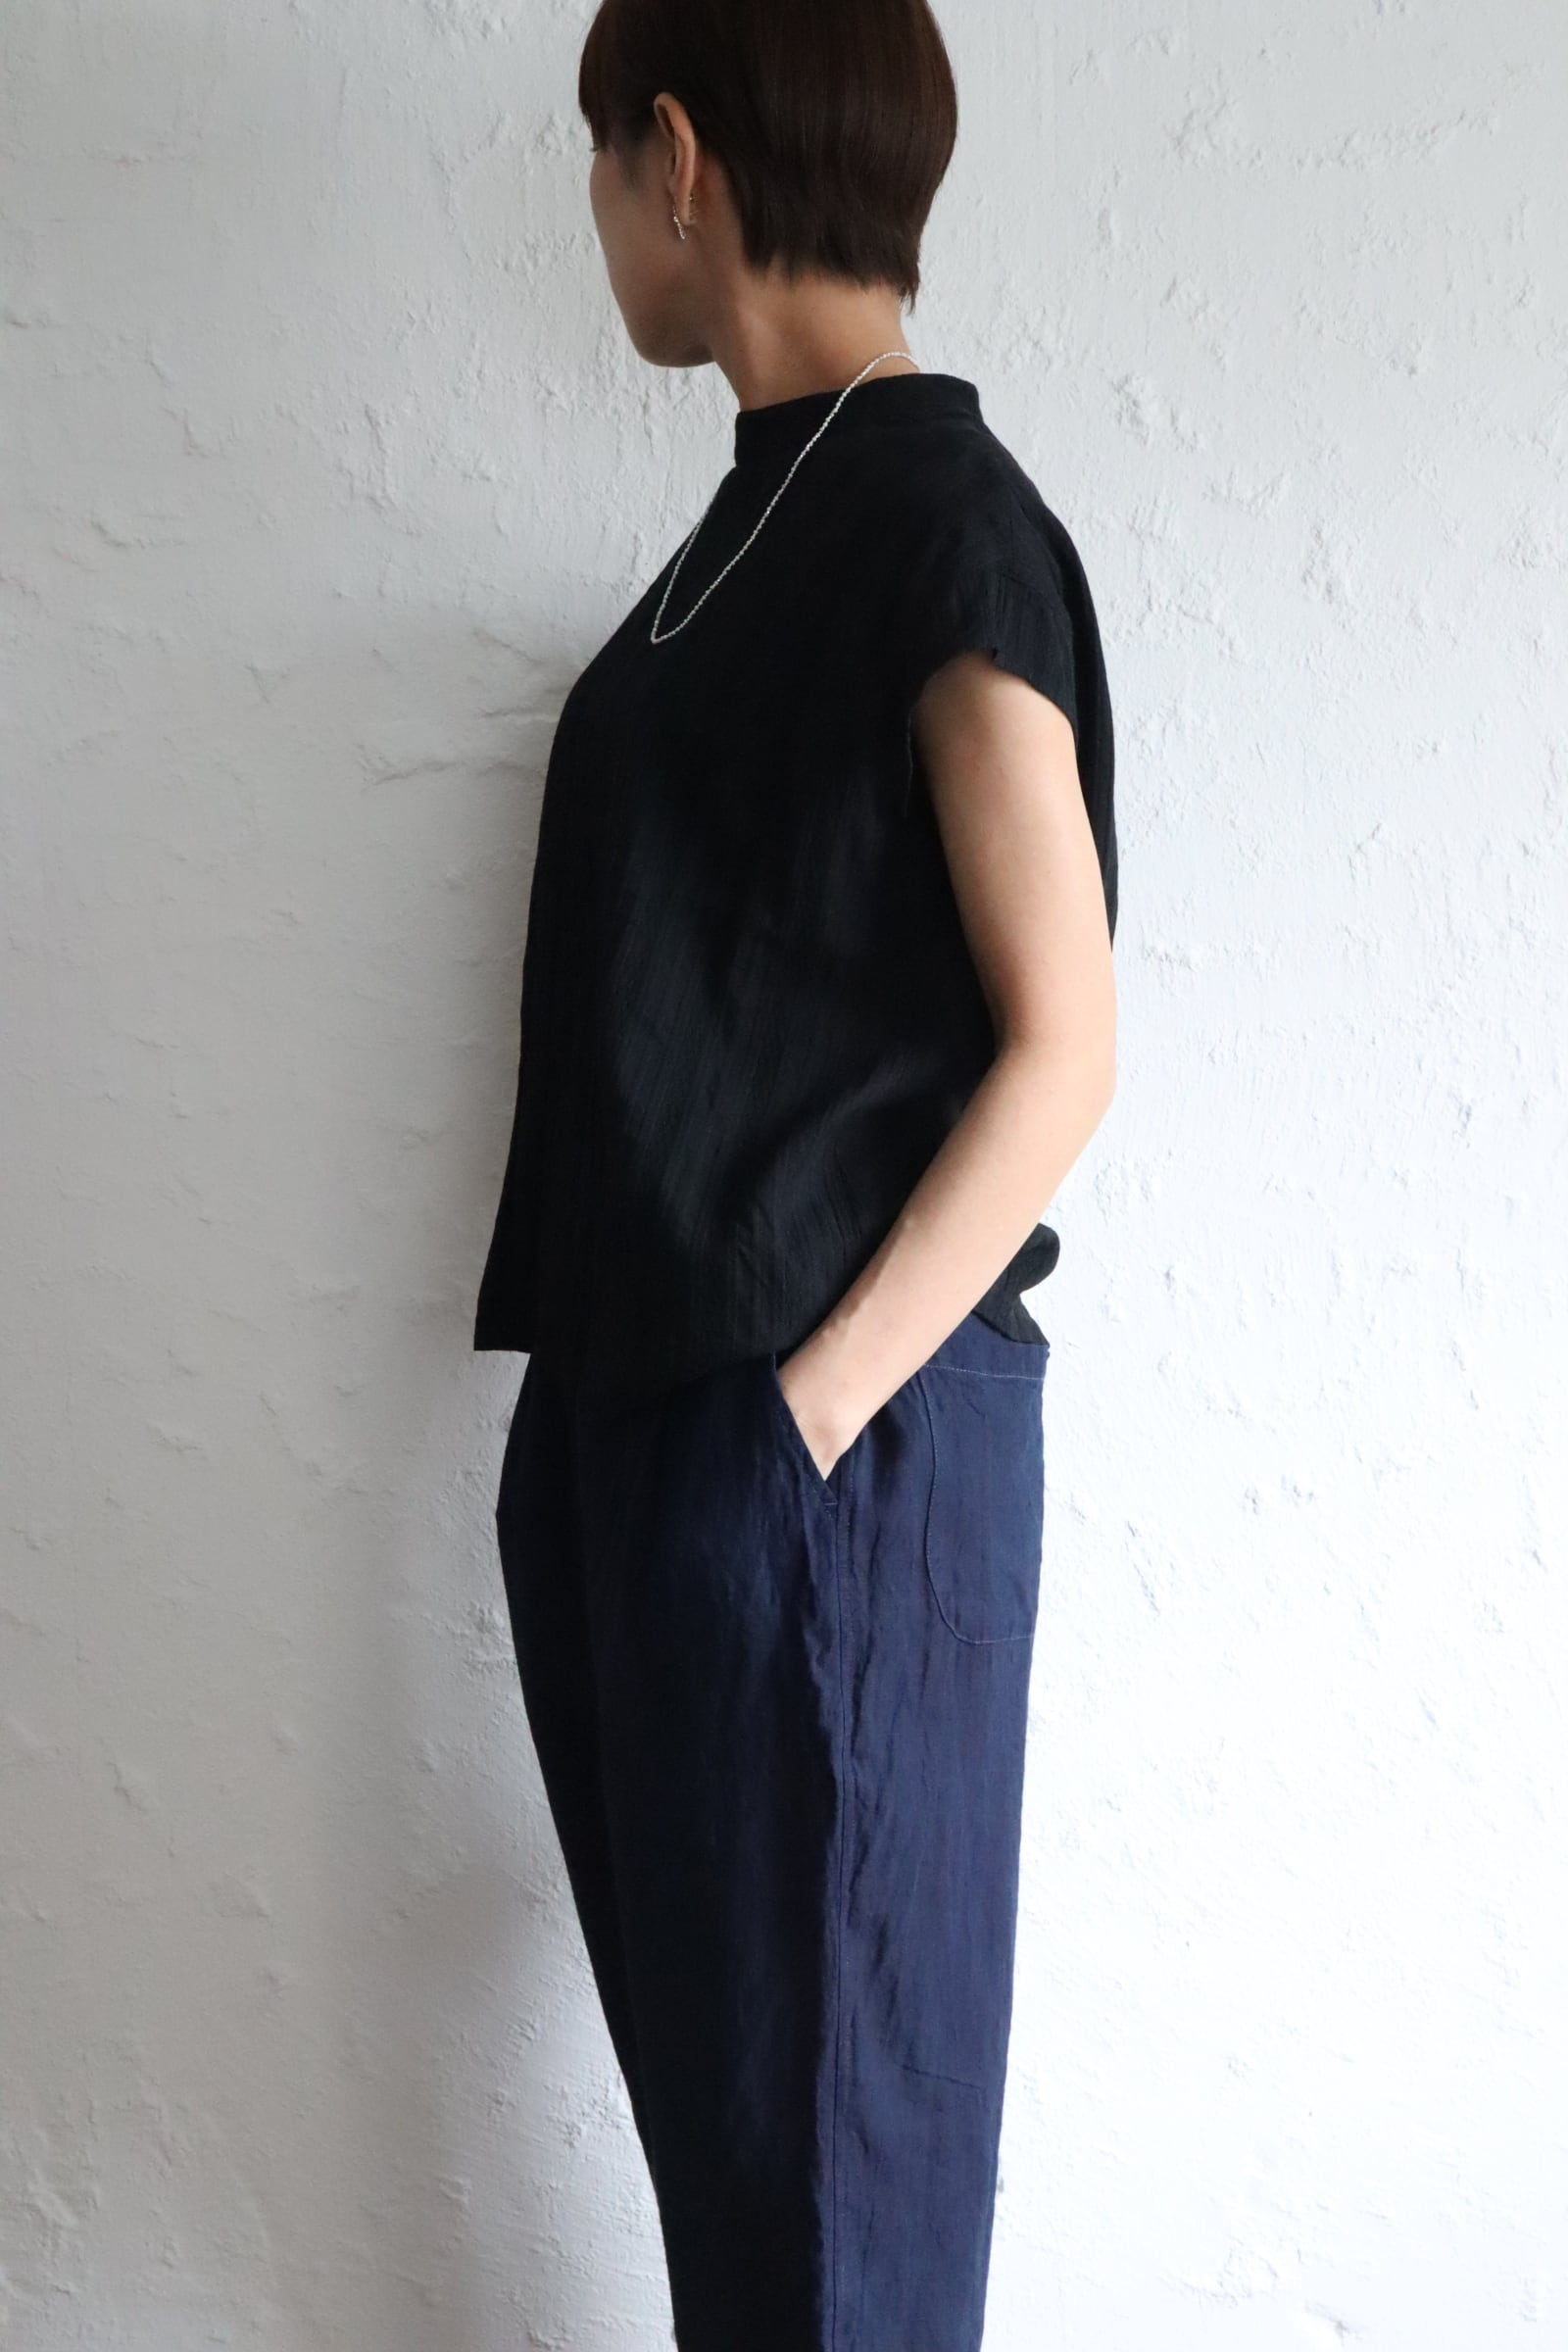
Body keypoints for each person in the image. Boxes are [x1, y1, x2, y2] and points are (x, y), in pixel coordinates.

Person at [473, 1, 1118, 2344]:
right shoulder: (750, 524)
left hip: (822, 1466)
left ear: (675, 154)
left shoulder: (936, 524)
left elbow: (1062, 1045)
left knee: (840, 2243)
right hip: (655, 1446)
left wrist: (797, 1427)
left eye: (592, 160)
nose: (590, 219)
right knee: (752, 2241)